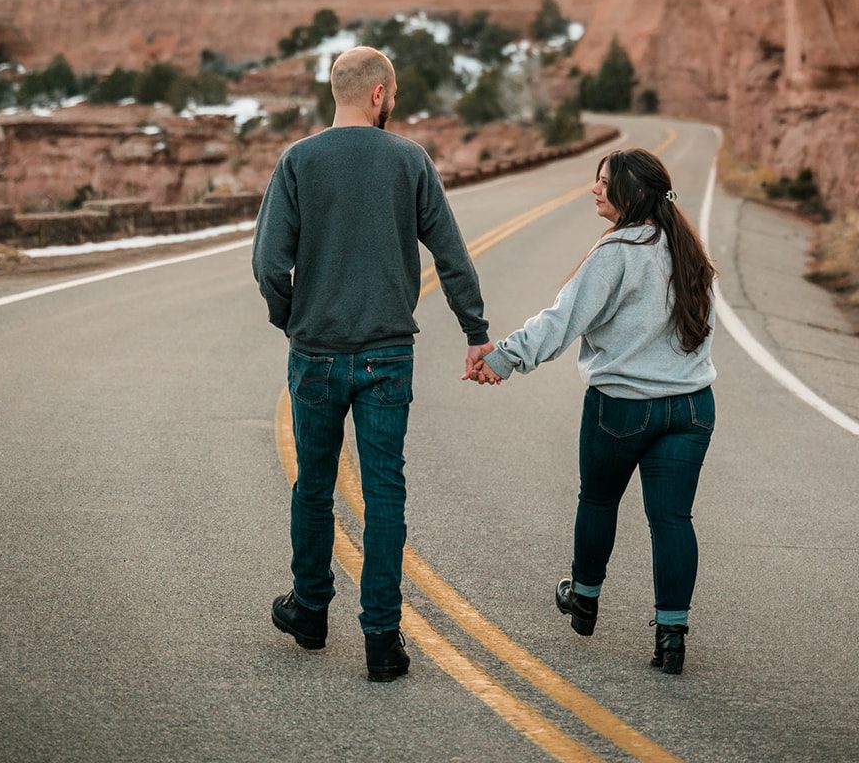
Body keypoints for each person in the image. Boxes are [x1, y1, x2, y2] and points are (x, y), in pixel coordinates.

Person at [252, 45, 491, 683]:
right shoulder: (409, 160)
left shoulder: (298, 161)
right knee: (385, 492)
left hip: (318, 353)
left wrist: (292, 318)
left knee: (314, 486)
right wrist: (476, 330)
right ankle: (383, 641)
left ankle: (309, 610)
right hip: (389, 354)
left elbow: (269, 263)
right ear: (381, 93)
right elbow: (451, 253)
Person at [466, 147, 716, 675]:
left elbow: (562, 321)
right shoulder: (688, 248)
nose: (594, 189)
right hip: (692, 407)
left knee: (598, 501)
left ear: (630, 190)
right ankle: (671, 637)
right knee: (672, 519)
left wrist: (505, 359)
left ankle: (583, 598)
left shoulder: (616, 252)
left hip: (622, 408)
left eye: (604, 182)